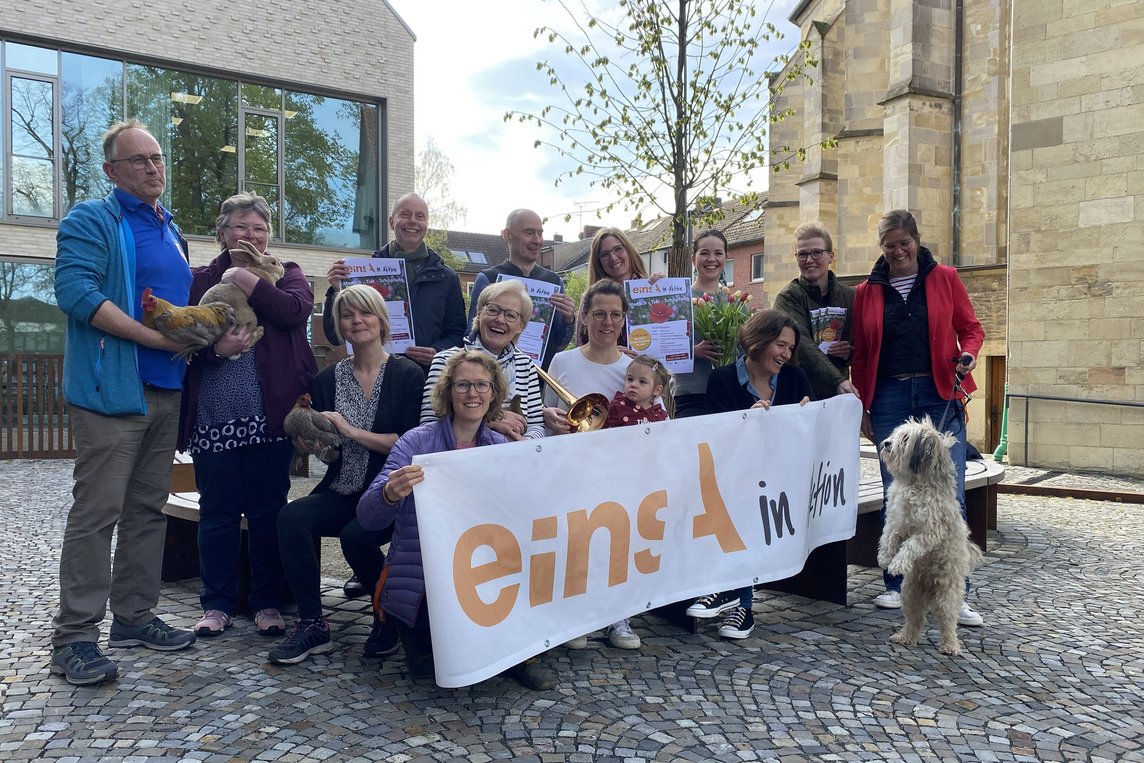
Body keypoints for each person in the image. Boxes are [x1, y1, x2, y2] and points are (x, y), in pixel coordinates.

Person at [50, 119, 197, 685]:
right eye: (138, 160)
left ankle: (134, 616)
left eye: (157, 158)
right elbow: (77, 293)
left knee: (146, 511)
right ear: (111, 171)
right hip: (113, 391)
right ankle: (74, 637)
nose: (152, 167)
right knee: (97, 514)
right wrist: (155, 339)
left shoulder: (171, 229)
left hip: (166, 390)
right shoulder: (92, 219)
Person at [357, 350, 557, 690]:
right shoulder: (416, 442)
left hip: (485, 571)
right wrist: (389, 492)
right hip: (425, 578)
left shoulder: (501, 448)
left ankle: (518, 655)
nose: (472, 394)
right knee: (429, 671)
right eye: (463, 385)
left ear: (494, 393)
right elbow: (367, 516)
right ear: (448, 391)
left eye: (481, 385)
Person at [179, 192, 317, 639]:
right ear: (222, 233)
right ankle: (216, 604)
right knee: (217, 512)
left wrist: (245, 276)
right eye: (240, 226)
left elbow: (294, 313)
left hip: (269, 417)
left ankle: (267, 602)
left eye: (258, 228)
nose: (249, 235)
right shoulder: (198, 279)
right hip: (213, 416)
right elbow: (180, 338)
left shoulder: (287, 274)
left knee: (266, 512)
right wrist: (215, 351)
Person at [269, 285, 425, 665]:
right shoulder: (326, 379)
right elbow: (330, 448)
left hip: (389, 492)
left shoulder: (408, 374)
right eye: (347, 315)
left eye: (365, 313)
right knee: (292, 516)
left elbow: (410, 443)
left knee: (358, 537)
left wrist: (352, 430)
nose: (357, 321)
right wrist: (318, 447)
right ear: (338, 325)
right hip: (342, 487)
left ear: (382, 321)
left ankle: (384, 612)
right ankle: (311, 624)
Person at [851, 209, 986, 627]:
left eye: (903, 242)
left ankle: (954, 593)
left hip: (937, 388)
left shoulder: (944, 277)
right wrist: (864, 406)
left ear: (915, 239)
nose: (897, 251)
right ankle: (896, 585)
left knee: (951, 490)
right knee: (897, 494)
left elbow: (972, 328)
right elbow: (860, 352)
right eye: (889, 245)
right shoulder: (866, 291)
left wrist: (968, 355)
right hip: (889, 392)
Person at [687, 309, 813, 641]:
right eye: (780, 345)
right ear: (758, 340)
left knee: (748, 509)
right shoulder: (723, 379)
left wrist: (807, 413)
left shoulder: (795, 378)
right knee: (738, 506)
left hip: (781, 478)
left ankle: (731, 594)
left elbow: (809, 429)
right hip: (735, 477)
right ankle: (741, 602)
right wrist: (746, 420)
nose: (785, 354)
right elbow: (719, 437)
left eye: (790, 348)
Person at [543, 280, 643, 650]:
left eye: (616, 314)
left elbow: (657, 416)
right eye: (599, 313)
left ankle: (619, 616)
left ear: (624, 319)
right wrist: (549, 418)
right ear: (584, 318)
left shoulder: (635, 366)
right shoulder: (563, 361)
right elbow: (547, 414)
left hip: (619, 471)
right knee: (576, 544)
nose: (608, 322)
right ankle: (576, 618)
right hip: (572, 469)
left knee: (618, 543)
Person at [322, 193, 465, 371]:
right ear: (391, 222)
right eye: (405, 214)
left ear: (426, 224)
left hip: (428, 378)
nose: (413, 221)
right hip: (376, 375)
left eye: (420, 216)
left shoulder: (446, 278)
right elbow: (335, 336)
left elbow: (458, 334)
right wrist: (337, 290)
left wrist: (438, 352)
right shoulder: (362, 274)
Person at [420, 279, 544, 440]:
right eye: (493, 310)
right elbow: (427, 426)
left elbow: (537, 425)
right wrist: (491, 420)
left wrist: (524, 444)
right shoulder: (445, 360)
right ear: (479, 314)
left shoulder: (526, 365)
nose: (500, 319)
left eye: (511, 315)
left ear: (521, 326)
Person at [467, 209, 575, 370]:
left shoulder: (554, 282)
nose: (537, 240)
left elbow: (558, 344)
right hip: (493, 374)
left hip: (538, 378)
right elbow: (472, 332)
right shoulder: (488, 278)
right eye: (529, 233)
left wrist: (569, 320)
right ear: (507, 235)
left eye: (540, 233)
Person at [773, 222, 858, 401]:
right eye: (802, 254)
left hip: (839, 395)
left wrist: (849, 352)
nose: (809, 260)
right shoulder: (788, 297)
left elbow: (862, 344)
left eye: (817, 252)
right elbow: (802, 344)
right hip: (800, 394)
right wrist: (838, 380)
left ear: (831, 256)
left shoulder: (851, 296)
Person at [673, 229, 729, 418]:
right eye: (704, 253)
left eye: (718, 253)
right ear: (693, 259)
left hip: (730, 392)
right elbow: (663, 349)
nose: (711, 259)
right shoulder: (679, 300)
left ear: (725, 258)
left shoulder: (735, 303)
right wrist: (693, 351)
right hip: (691, 393)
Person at [573, 227, 660, 349]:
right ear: (598, 262)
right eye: (605, 254)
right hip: (605, 367)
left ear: (628, 250)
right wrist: (616, 357)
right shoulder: (591, 298)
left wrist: (665, 288)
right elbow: (582, 345)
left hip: (647, 367)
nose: (613, 258)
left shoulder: (652, 290)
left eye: (618, 249)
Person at [603, 355, 671, 428]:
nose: (633, 385)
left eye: (642, 381)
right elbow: (606, 436)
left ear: (657, 390)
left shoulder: (661, 415)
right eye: (630, 379)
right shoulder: (615, 408)